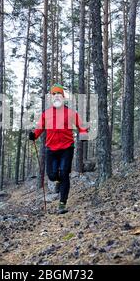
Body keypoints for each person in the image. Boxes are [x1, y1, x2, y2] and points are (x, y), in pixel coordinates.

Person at [29, 84, 89, 214]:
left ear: (63, 97)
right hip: (51, 148)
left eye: (59, 94)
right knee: (51, 175)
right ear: (51, 98)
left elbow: (81, 125)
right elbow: (40, 127)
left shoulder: (71, 113)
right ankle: (57, 181)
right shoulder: (46, 114)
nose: (57, 96)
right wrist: (34, 135)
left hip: (67, 148)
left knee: (64, 173)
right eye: (54, 94)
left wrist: (83, 133)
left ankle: (62, 203)